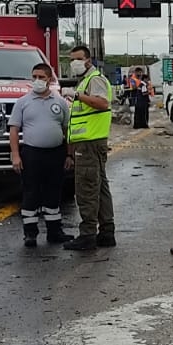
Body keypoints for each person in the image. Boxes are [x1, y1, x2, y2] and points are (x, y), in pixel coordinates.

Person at [9, 63, 73, 247]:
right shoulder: (23, 102)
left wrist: (69, 155)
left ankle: (55, 232)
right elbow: (14, 130)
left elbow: (67, 129)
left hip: (56, 154)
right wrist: (16, 155)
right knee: (31, 192)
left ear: (49, 80)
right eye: (34, 77)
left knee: (54, 191)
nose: (37, 81)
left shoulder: (60, 102)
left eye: (41, 77)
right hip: (31, 154)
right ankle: (30, 233)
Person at [64, 44, 115, 251]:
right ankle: (106, 232)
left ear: (88, 60)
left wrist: (77, 96)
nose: (74, 63)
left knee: (86, 189)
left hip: (89, 144)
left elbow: (102, 103)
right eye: (71, 60)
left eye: (77, 59)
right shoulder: (85, 81)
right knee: (100, 187)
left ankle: (87, 235)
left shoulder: (94, 80)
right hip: (91, 143)